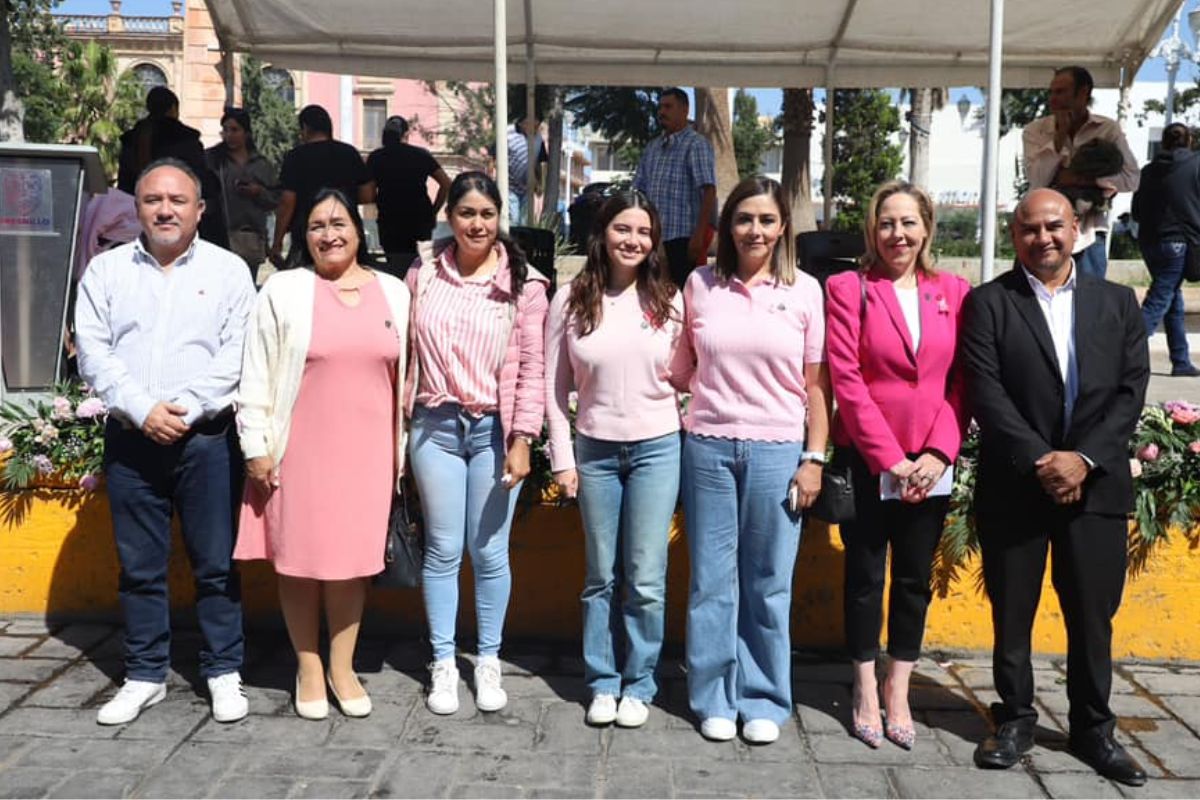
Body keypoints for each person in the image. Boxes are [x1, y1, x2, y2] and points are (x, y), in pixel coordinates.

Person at [962, 188, 1150, 786]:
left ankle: (1093, 728)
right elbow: (985, 391)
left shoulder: (1118, 302)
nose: (1042, 238)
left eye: (1053, 227)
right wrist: (1045, 460)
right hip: (1018, 482)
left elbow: (1131, 391)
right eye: (1028, 229)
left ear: (1076, 229)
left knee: (1093, 617)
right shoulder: (989, 303)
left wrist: (1084, 459)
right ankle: (1014, 718)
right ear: (1013, 236)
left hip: (1096, 488)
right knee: (1013, 613)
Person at [74, 158, 255, 726]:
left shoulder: (230, 271)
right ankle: (144, 674)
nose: (165, 209)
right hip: (132, 440)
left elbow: (237, 353)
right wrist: (142, 409)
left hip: (205, 441)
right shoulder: (106, 272)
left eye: (178, 200)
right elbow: (94, 350)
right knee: (140, 566)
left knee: (216, 564)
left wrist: (185, 409)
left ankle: (224, 671)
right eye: (153, 199)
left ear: (200, 210)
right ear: (137, 208)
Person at [234, 188, 410, 720]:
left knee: (352, 565)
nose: (328, 234)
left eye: (338, 223)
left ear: (359, 231)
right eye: (315, 226)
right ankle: (307, 665)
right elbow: (257, 370)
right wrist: (256, 447)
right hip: (299, 451)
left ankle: (342, 664)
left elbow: (410, 374)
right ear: (301, 236)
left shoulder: (395, 292)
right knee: (301, 561)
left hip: (369, 455)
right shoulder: (285, 291)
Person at [670, 176, 830, 745]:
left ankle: (762, 696)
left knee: (768, 581)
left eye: (766, 219)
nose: (754, 230)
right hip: (708, 446)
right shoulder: (699, 285)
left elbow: (815, 388)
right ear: (727, 227)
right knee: (712, 582)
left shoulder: (806, 291)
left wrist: (814, 457)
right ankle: (714, 694)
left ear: (783, 226)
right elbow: (681, 368)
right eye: (744, 219)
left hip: (777, 450)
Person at [824, 181, 971, 750]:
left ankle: (898, 688)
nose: (897, 235)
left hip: (933, 464)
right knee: (864, 577)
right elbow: (847, 379)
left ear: (927, 228)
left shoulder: (954, 290)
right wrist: (893, 460)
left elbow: (963, 380)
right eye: (886, 223)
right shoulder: (848, 288)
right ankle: (863, 685)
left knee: (913, 580)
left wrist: (935, 454)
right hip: (869, 459)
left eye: (908, 223)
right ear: (872, 229)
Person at [405, 171, 550, 716]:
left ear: (499, 219)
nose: (477, 224)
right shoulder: (424, 272)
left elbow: (534, 368)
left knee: (489, 550)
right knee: (443, 549)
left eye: (487, 214)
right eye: (466, 213)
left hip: (494, 428)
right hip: (436, 425)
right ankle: (443, 662)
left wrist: (522, 439)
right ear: (449, 216)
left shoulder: (524, 285)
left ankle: (487, 658)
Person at [545, 191, 684, 729]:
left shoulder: (669, 301)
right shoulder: (572, 299)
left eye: (644, 231)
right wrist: (563, 458)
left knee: (646, 575)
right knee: (600, 575)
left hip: (657, 448)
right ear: (603, 233)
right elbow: (554, 388)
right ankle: (603, 680)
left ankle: (641, 681)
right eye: (623, 229)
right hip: (596, 451)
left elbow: (687, 375)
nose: (634, 240)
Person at [1021, 66, 1139, 280]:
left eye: (1061, 92)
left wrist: (1089, 180)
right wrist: (1058, 139)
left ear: (1083, 93)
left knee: (1089, 303)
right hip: (1044, 233)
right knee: (1033, 297)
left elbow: (1132, 178)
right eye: (1052, 92)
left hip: (1089, 233)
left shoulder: (1107, 129)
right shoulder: (1035, 131)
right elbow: (1037, 181)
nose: (1053, 99)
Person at [117, 86, 229, 249]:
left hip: (133, 217)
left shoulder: (131, 140)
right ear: (173, 109)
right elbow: (201, 181)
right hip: (178, 219)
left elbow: (124, 183)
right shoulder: (185, 140)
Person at [1131, 122, 1200, 377]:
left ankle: (1181, 361)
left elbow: (1137, 211)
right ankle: (1123, 350)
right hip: (1179, 242)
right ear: (1189, 140)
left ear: (1164, 142)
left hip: (1149, 242)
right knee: (1160, 299)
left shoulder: (1148, 171)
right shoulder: (1195, 165)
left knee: (1172, 300)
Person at [633, 88, 717, 288]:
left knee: (683, 294)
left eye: (668, 107)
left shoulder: (696, 145)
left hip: (683, 239)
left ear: (685, 110)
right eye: (660, 107)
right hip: (651, 237)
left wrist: (699, 236)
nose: (662, 112)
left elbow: (709, 191)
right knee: (650, 290)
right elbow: (638, 191)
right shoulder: (652, 148)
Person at [272, 105, 375, 268]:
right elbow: (368, 195)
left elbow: (287, 202)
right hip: (346, 232)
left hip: (308, 236)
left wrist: (277, 242)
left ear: (305, 128)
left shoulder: (296, 157)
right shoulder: (350, 153)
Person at [366, 115, 451, 275]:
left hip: (390, 220)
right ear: (406, 135)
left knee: (395, 268)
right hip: (419, 220)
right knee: (419, 266)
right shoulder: (421, 155)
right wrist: (433, 211)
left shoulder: (376, 157)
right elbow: (446, 183)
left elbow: (369, 194)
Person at [205, 107, 280, 284]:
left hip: (250, 237)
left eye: (235, 130)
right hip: (218, 236)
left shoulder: (261, 164)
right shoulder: (211, 159)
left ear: (246, 133)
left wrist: (258, 192)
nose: (229, 135)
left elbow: (275, 199)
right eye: (225, 130)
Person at [506, 118, 548, 224]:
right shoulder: (508, 133)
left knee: (525, 221)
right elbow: (493, 157)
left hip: (527, 189)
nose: (535, 128)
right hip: (510, 187)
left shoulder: (538, 139)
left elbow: (540, 162)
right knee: (514, 219)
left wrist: (540, 183)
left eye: (537, 126)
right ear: (523, 122)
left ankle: (521, 240)